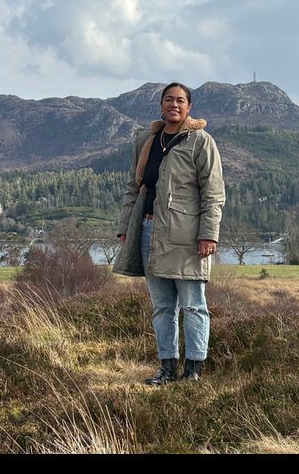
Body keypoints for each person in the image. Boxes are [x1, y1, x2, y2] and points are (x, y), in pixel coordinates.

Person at [113, 82, 225, 384]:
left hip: (187, 235)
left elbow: (213, 194)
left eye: (180, 100)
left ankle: (193, 371)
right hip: (149, 230)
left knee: (192, 304)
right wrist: (126, 228)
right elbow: (134, 188)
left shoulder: (201, 142)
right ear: (161, 105)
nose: (173, 105)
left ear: (189, 107)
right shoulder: (147, 141)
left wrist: (208, 235)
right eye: (168, 100)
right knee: (162, 306)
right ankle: (167, 368)